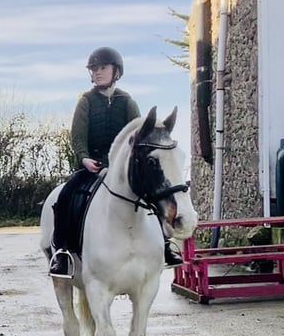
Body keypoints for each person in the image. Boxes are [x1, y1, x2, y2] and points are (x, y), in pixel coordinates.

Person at [48, 46, 183, 278]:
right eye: (94, 69)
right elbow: (77, 136)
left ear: (116, 71)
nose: (98, 72)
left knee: (153, 195)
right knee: (65, 197)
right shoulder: (86, 102)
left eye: (103, 68)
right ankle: (62, 253)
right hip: (94, 166)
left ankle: (165, 245)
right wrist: (84, 158)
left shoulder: (127, 102)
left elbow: (139, 136)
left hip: (121, 169)